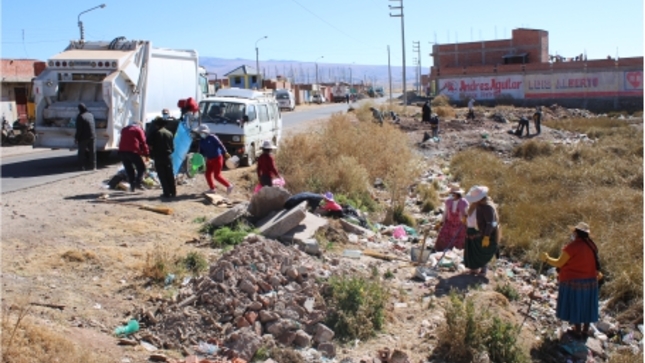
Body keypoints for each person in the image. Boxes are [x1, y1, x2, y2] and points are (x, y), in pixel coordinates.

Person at [540, 222, 601, 339]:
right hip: (590, 281)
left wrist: (546, 259)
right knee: (587, 305)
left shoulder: (572, 247)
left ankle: (577, 331)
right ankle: (585, 330)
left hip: (574, 280)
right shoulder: (592, 245)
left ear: (576, 233)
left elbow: (559, 263)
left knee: (576, 304)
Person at [462, 185, 499, 276]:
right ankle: (473, 269)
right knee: (473, 251)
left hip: (484, 233)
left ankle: (483, 269)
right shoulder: (476, 205)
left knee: (482, 252)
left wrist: (486, 236)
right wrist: (465, 218)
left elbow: (491, 223)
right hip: (473, 231)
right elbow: (472, 215)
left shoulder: (487, 207)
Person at [197, 125, 233, 195]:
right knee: (207, 174)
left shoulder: (213, 137)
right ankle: (212, 188)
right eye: (200, 132)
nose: (201, 134)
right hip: (209, 159)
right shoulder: (201, 141)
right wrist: (198, 157)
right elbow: (200, 151)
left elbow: (220, 145)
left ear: (206, 132)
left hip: (217, 158)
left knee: (217, 175)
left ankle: (229, 185)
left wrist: (225, 152)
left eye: (202, 132)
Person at [147, 118, 176, 198]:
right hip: (168, 156)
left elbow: (149, 142)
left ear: (157, 125)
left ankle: (166, 193)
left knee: (162, 175)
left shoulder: (155, 133)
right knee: (170, 174)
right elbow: (172, 147)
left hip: (159, 156)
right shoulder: (169, 133)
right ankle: (173, 192)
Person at [118, 121, 149, 192]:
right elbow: (143, 142)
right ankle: (138, 183)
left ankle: (132, 186)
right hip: (133, 152)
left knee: (129, 169)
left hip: (122, 152)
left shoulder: (124, 129)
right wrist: (146, 153)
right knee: (141, 168)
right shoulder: (138, 129)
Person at [435, 186, 469, 251]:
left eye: (454, 194)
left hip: (459, 225)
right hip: (449, 223)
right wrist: (441, 223)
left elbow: (467, 214)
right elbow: (445, 213)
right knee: (443, 236)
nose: (452, 195)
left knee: (459, 240)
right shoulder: (448, 201)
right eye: (452, 193)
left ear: (458, 194)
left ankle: (456, 251)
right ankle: (442, 250)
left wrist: (466, 223)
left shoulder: (463, 202)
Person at [75, 103, 96, 171]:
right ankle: (93, 166)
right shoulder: (90, 115)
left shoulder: (80, 116)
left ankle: (81, 167)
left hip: (84, 137)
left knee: (81, 152)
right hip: (92, 136)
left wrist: (76, 138)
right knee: (92, 152)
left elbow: (79, 130)